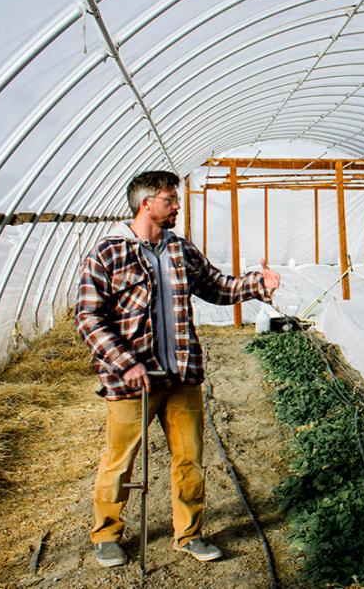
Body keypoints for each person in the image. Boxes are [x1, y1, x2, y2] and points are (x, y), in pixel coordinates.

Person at [75, 170, 281, 568]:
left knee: (190, 460)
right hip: (133, 381)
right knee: (120, 460)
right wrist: (124, 362)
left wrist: (259, 283)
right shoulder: (108, 253)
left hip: (182, 375)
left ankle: (189, 534)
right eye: (171, 200)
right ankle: (107, 534)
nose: (177, 206)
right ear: (146, 203)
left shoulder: (180, 250)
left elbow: (219, 287)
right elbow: (88, 318)